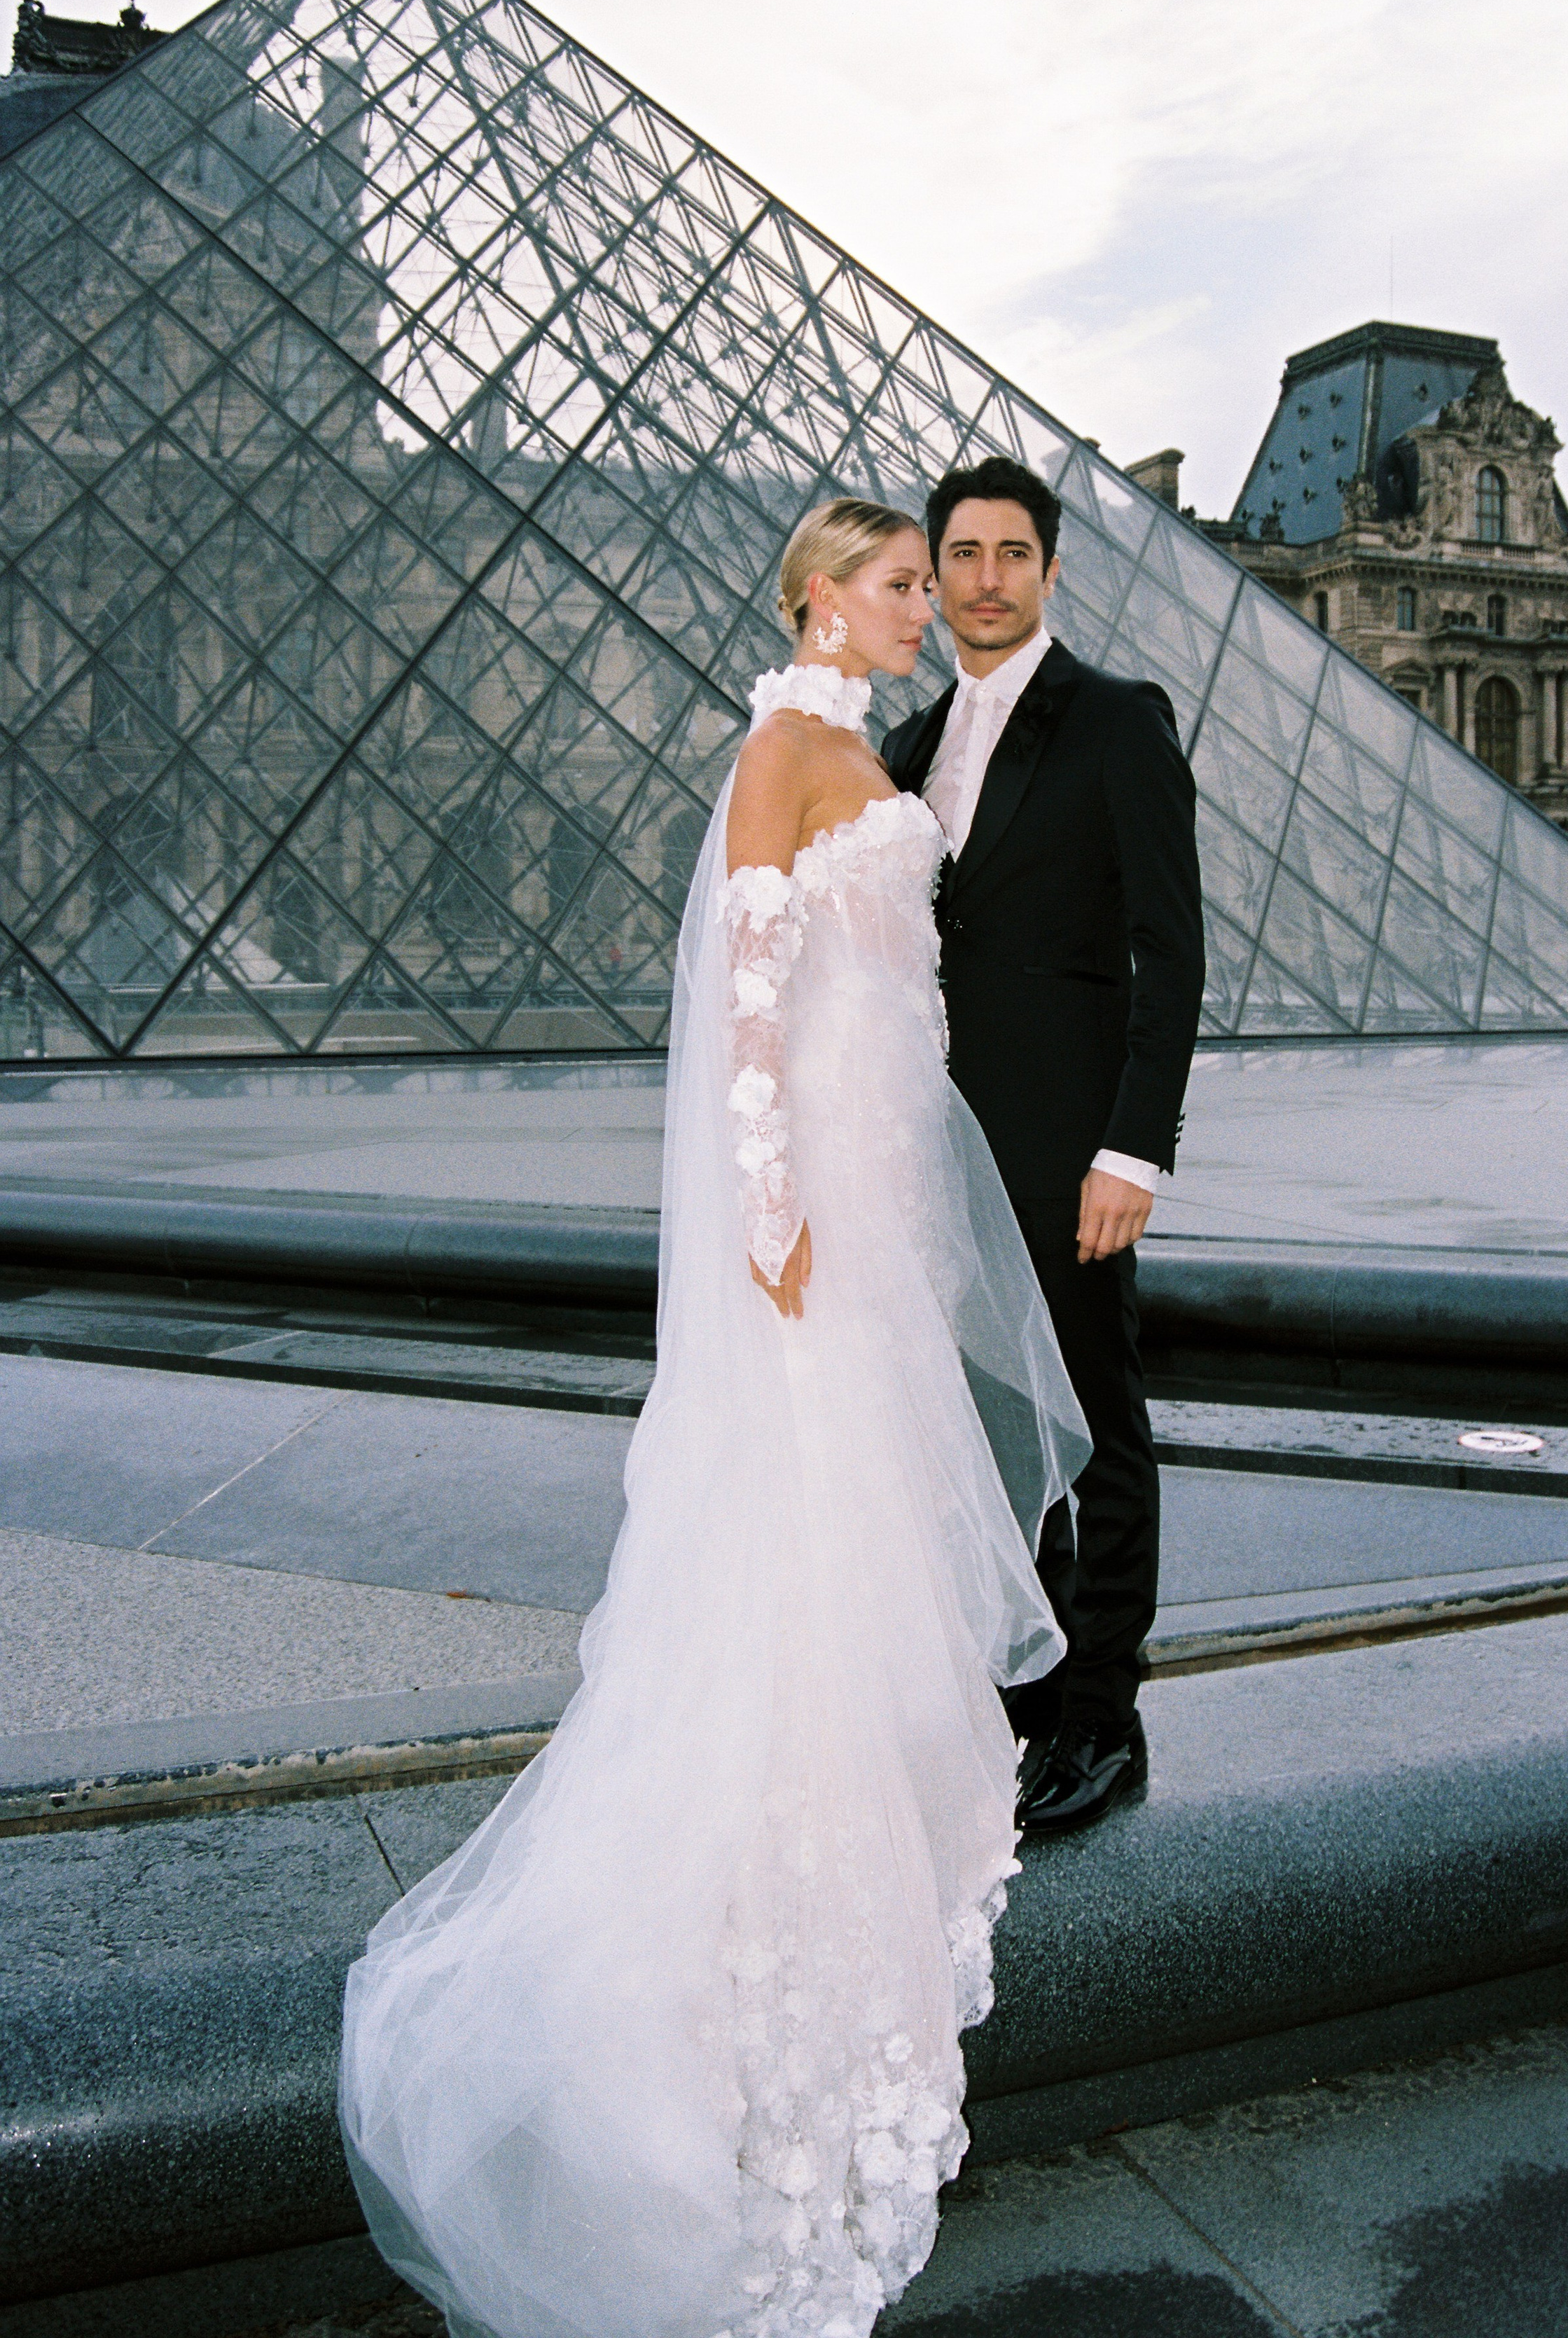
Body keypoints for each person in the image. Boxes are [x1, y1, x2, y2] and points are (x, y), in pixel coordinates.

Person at [339, 498, 1089, 2338]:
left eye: (936, 580)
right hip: (818, 1192)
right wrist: (772, 1214)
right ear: (822, 597)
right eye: (903, 582)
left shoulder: (850, 742)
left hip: (881, 1170)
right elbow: (747, 1005)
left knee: (868, 1506)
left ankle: (858, 1785)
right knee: (813, 1514)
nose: (929, 605)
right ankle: (784, 1852)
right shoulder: (783, 746)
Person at [883, 457, 1205, 1838]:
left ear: (1048, 569)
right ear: (938, 571)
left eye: (1013, 551)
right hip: (933, 1154)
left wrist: (1133, 1149)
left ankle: (1102, 1719)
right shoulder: (903, 748)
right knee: (990, 1429)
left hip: (1070, 1148)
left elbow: (1168, 950)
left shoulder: (1115, 721)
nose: (987, 576)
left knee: (1096, 1422)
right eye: (962, 552)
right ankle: (1024, 1689)